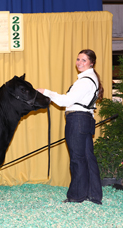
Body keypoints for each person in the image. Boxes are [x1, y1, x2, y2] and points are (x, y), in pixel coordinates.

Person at [37, 49, 104, 205]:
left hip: (78, 119)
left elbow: (65, 101)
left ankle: (77, 195)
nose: (79, 63)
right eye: (78, 59)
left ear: (91, 63)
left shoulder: (85, 81)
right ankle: (94, 194)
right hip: (85, 119)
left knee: (77, 159)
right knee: (87, 157)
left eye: (84, 60)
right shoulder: (89, 79)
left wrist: (46, 92)